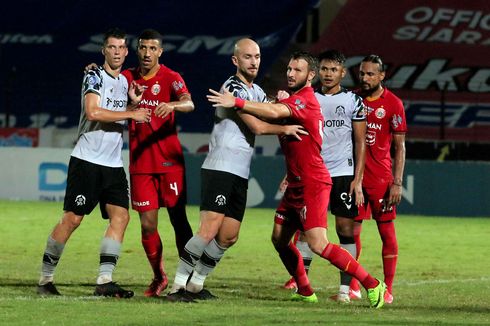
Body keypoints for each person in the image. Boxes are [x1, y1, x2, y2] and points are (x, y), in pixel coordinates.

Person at [207, 51, 386, 308]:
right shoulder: (295, 98)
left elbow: (274, 110)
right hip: (296, 181)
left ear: (310, 76)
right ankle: (304, 289)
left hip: (313, 182)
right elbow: (272, 110)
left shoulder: (307, 100)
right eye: (289, 69)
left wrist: (236, 102)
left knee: (318, 243)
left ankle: (372, 284)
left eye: (297, 70)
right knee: (280, 238)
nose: (290, 74)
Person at [165, 38, 307, 302]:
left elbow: (269, 109)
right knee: (208, 231)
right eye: (248, 57)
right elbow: (258, 126)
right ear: (236, 60)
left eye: (257, 57)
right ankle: (177, 287)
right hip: (220, 168)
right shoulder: (232, 88)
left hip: (239, 172)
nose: (254, 62)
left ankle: (196, 284)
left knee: (228, 236)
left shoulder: (256, 92)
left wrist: (282, 99)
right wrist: (284, 127)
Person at [37, 28, 150, 297]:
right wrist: (132, 113)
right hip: (87, 160)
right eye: (112, 47)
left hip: (112, 165)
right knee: (72, 220)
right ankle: (45, 279)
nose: (118, 52)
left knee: (121, 217)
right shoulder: (93, 74)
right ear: (104, 51)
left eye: (122, 48)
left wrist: (132, 101)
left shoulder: (124, 82)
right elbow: (93, 111)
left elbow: (122, 107)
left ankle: (104, 280)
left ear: (126, 51)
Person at [281, 49, 367, 303]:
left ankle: (346, 289)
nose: (329, 74)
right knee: (308, 231)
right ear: (317, 73)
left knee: (345, 228)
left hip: (342, 171)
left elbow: (361, 142)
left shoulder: (353, 101)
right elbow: (294, 139)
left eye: (334, 69)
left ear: (342, 72)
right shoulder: (307, 98)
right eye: (325, 69)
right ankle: (302, 283)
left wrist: (358, 178)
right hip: (312, 172)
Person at [121, 29, 195, 298]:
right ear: (137, 50)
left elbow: (190, 103)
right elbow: (108, 85)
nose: (147, 53)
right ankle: (159, 276)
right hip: (141, 164)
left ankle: (187, 278)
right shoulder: (128, 78)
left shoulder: (171, 78)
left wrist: (173, 106)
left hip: (170, 163)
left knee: (179, 220)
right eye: (143, 47)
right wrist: (93, 69)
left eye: (153, 48)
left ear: (160, 52)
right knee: (148, 225)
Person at [348, 54, 407, 305]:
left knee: (387, 234)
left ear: (382, 76)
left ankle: (389, 287)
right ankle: (352, 287)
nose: (365, 78)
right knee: (351, 231)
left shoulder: (393, 104)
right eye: (362, 73)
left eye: (371, 73)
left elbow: (400, 147)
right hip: (354, 178)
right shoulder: (352, 98)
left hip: (381, 180)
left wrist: (397, 182)